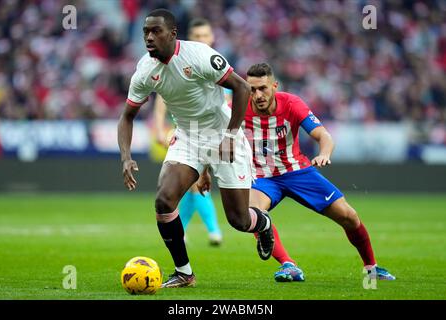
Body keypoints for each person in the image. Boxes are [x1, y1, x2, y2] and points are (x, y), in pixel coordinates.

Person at [117, 9, 274, 288]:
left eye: (156, 32)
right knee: (164, 201)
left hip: (223, 132)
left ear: (173, 34)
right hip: (188, 136)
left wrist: (229, 136)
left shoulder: (200, 55)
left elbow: (241, 88)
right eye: (145, 32)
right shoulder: (144, 70)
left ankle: (262, 224)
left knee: (238, 220)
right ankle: (184, 273)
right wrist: (126, 157)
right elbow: (127, 116)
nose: (149, 38)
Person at [198, 62, 396, 282]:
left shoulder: (292, 103)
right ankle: (288, 265)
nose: (258, 95)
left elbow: (324, 136)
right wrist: (204, 172)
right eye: (252, 90)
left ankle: (371, 268)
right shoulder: (238, 106)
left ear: (274, 86)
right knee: (251, 214)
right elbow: (216, 137)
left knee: (349, 216)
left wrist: (324, 153)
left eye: (263, 88)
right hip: (261, 177)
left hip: (298, 172)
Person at [153, 18, 226, 247]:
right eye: (197, 37)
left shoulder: (219, 64)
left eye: (205, 36)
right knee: (192, 183)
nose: (202, 40)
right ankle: (212, 231)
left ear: (212, 38)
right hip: (190, 132)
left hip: (220, 133)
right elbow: (162, 97)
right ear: (189, 39)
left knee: (196, 185)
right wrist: (158, 127)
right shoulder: (180, 63)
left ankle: (187, 230)